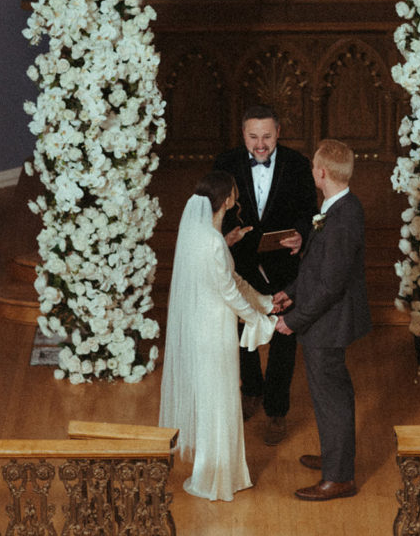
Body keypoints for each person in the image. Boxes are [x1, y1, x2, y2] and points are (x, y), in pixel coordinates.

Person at [158, 170, 277, 502]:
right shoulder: (212, 242)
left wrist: (264, 302)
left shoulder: (199, 234)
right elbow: (229, 290)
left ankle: (221, 471)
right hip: (215, 331)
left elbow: (227, 276)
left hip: (204, 326)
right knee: (221, 399)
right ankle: (217, 477)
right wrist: (258, 319)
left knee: (217, 397)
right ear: (227, 199)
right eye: (234, 193)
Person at [273, 139, 371, 501]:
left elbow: (331, 285)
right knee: (329, 395)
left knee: (332, 397)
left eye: (314, 167)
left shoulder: (342, 216)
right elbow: (318, 266)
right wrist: (291, 291)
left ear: (322, 172)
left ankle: (339, 477)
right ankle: (335, 458)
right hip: (324, 319)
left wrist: (293, 319)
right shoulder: (337, 206)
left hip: (328, 324)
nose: (312, 171)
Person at [213, 105, 317, 445]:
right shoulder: (225, 164)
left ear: (279, 131)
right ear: (243, 134)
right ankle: (251, 391)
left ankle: (276, 410)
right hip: (239, 265)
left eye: (267, 137)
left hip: (284, 266)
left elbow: (309, 213)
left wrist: (301, 235)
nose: (260, 145)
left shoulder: (299, 165)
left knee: (284, 339)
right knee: (242, 335)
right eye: (254, 137)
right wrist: (226, 240)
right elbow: (214, 213)